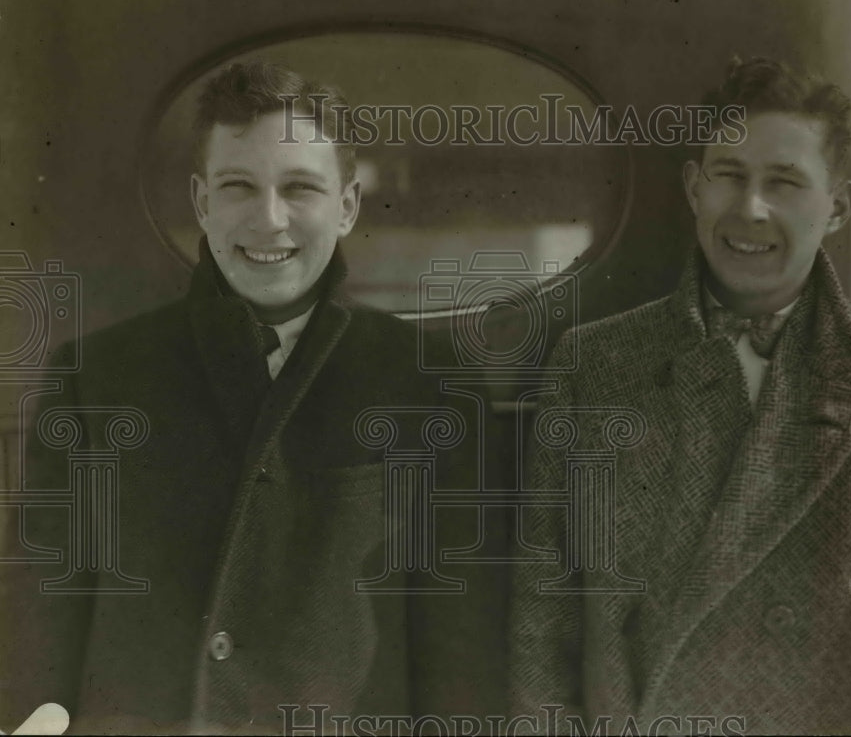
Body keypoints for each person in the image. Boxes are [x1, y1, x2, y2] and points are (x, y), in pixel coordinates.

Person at [0, 62, 503, 734]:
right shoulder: (99, 379)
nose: (268, 220)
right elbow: (41, 615)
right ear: (202, 201)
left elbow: (460, 640)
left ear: (347, 205)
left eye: (300, 187)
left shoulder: (431, 385)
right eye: (238, 186)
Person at [509, 56, 851, 735]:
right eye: (730, 176)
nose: (750, 209)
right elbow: (544, 625)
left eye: (785, 182)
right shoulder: (594, 365)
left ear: (838, 206)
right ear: (693, 188)